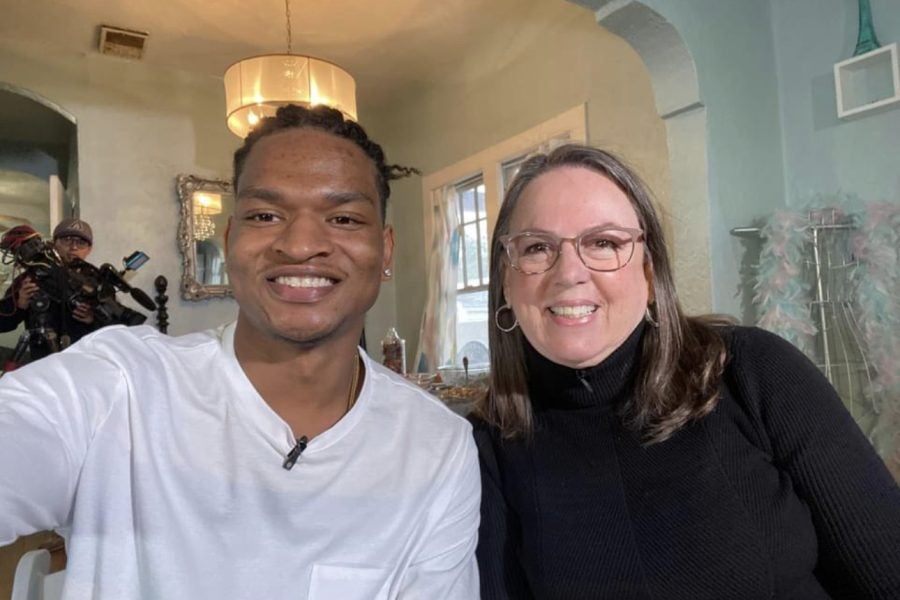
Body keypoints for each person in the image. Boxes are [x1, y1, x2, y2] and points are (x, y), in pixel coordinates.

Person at [0, 105, 480, 598]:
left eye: (343, 218)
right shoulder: (119, 388)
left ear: (386, 251)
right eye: (265, 215)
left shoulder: (438, 446)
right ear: (231, 241)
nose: (300, 245)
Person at [470, 144, 900, 599]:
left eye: (604, 243)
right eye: (537, 248)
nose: (569, 273)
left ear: (650, 273)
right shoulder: (486, 448)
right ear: (506, 281)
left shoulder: (753, 371)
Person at [0, 218, 97, 337]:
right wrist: (20, 304)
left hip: (84, 348)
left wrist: (93, 320)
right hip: (42, 347)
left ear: (89, 249)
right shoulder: (31, 279)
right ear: (54, 243)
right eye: (67, 240)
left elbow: (115, 329)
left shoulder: (98, 282)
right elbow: (2, 324)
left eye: (81, 243)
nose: (74, 247)